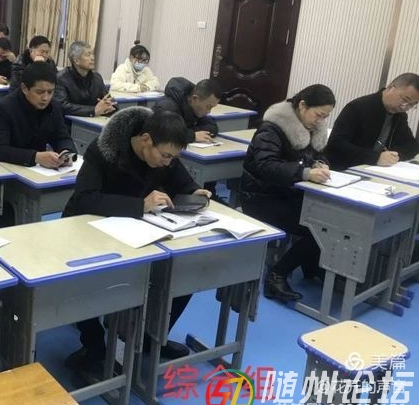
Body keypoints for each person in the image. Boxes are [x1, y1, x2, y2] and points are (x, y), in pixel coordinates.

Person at [62, 107, 211, 371]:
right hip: (89, 228)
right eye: (165, 156)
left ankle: (152, 337)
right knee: (87, 283)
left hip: (137, 232)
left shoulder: (163, 153)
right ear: (145, 140)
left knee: (182, 274)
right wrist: (139, 205)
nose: (168, 162)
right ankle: (94, 346)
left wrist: (194, 191)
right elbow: (85, 198)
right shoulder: (104, 151)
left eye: (173, 157)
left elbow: (181, 180)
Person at [241, 84, 336, 302]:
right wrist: (305, 173)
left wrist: (321, 163)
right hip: (261, 198)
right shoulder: (271, 129)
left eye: (325, 117)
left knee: (330, 220)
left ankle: (311, 266)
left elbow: (316, 156)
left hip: (289, 195)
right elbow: (266, 166)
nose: (320, 121)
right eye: (318, 115)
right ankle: (277, 275)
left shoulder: (311, 129)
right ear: (302, 105)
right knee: (319, 229)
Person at [0, 62, 75, 167]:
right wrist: (35, 157)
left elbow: (63, 137)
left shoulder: (53, 106)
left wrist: (65, 153)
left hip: (41, 170)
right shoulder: (4, 108)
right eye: (39, 92)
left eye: (50, 92)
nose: (45, 98)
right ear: (24, 88)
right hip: (10, 167)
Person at [326, 73, 419, 170]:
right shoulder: (359, 107)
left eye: (412, 104)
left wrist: (393, 156)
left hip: (372, 169)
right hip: (343, 168)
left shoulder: (400, 115)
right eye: (405, 100)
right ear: (391, 87)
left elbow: (411, 146)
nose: (406, 107)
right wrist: (375, 157)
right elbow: (336, 144)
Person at [54, 41, 116, 117]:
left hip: (94, 121)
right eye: (88, 55)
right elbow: (62, 106)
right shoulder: (61, 78)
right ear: (76, 60)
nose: (92, 58)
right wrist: (93, 110)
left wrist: (109, 106)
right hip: (70, 122)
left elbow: (110, 101)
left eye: (92, 54)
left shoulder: (97, 78)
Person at [153, 78, 221, 144]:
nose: (209, 112)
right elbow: (162, 134)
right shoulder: (166, 107)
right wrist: (192, 136)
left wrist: (187, 132)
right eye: (208, 107)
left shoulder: (195, 109)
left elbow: (212, 128)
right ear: (195, 99)